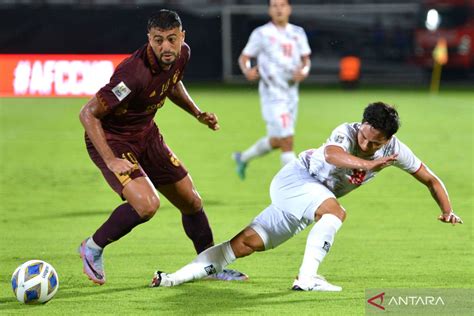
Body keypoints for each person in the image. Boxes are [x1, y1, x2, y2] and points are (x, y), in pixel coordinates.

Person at [150, 102, 463, 291]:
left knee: (243, 245)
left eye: (374, 143)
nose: (366, 144)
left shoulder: (396, 150)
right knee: (335, 213)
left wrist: (447, 210)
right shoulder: (347, 131)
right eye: (364, 136)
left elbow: (431, 179)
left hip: (307, 199)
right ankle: (307, 278)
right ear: (361, 124)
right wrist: (368, 163)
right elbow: (333, 154)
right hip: (298, 180)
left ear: (389, 139)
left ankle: (171, 279)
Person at [78, 9, 246, 285]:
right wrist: (110, 160)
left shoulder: (183, 54)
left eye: (171, 39)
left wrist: (197, 113)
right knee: (146, 205)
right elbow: (88, 114)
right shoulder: (132, 75)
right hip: (114, 140)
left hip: (147, 135)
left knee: (191, 201)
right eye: (158, 40)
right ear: (149, 39)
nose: (165, 47)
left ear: (182, 36)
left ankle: (209, 267)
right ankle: (92, 247)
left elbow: (172, 83)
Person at [233, 0, 311, 179]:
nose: (279, 9)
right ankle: (296, 185)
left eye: (282, 5)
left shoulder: (298, 33)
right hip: (272, 95)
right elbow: (244, 57)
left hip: (291, 94)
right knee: (288, 141)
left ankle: (243, 158)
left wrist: (304, 71)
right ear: (269, 10)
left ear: (289, 8)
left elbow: (306, 59)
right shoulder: (261, 33)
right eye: (274, 6)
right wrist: (247, 70)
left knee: (277, 141)